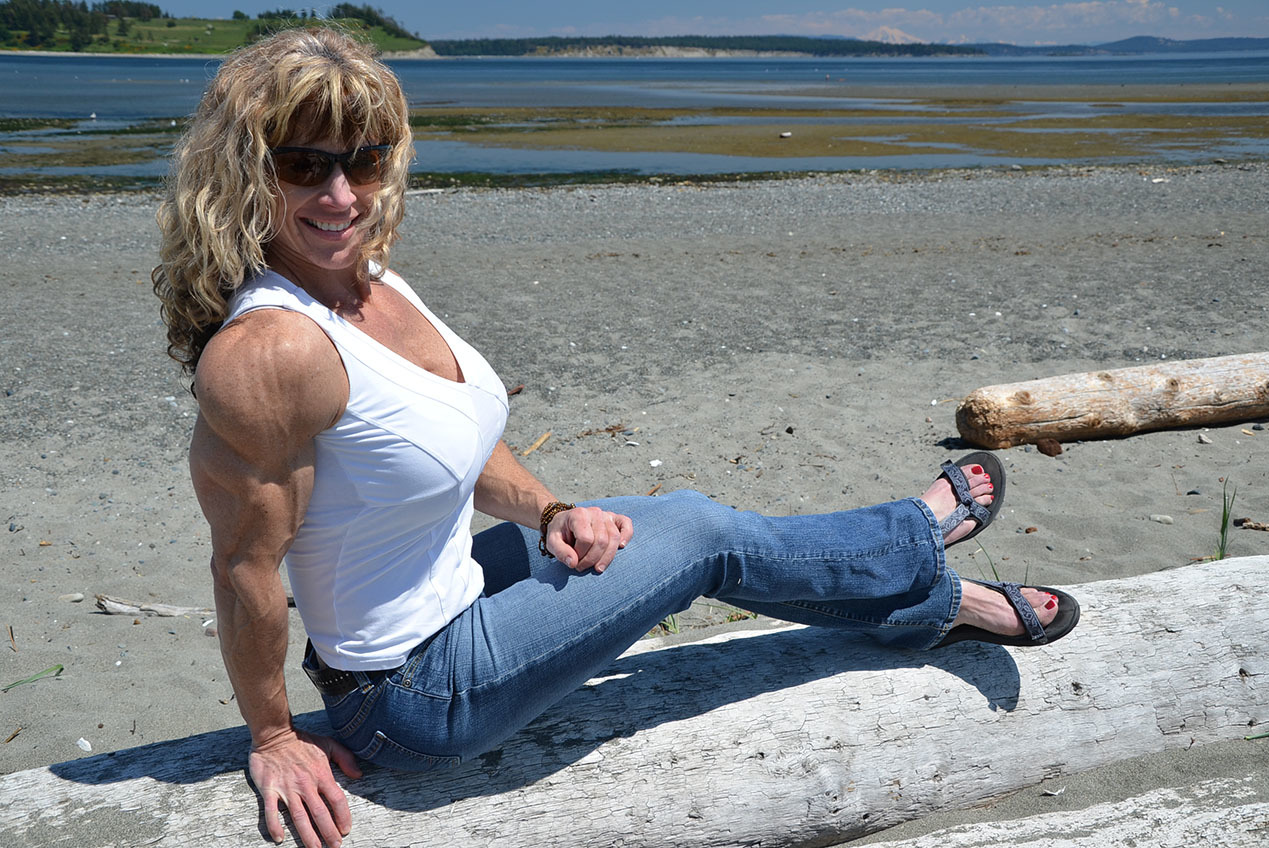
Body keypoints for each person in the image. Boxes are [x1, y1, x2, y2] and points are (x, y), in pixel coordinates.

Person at [153, 27, 1080, 848]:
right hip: (412, 694)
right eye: (303, 165)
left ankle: (925, 600)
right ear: (245, 171)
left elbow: (455, 443)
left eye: (363, 159)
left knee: (664, 523)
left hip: (459, 590)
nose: (341, 194)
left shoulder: (371, 276)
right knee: (699, 533)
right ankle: (918, 550)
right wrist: (273, 735)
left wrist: (550, 510)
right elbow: (243, 566)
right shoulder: (269, 352)